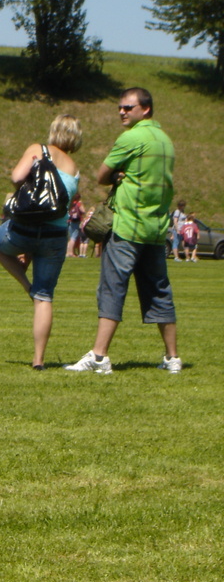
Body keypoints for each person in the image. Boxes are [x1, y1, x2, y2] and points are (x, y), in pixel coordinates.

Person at [65, 87, 181, 375]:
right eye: (120, 107)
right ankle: (172, 358)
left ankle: (99, 356)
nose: (122, 112)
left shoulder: (131, 138)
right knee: (159, 291)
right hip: (156, 230)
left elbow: (102, 175)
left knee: (112, 289)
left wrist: (117, 176)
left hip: (127, 227)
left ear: (146, 109)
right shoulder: (166, 141)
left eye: (128, 107)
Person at [0, 115, 82, 370]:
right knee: (45, 297)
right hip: (55, 235)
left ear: (54, 131)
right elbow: (71, 198)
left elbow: (16, 177)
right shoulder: (74, 168)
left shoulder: (37, 150)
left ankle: (25, 283)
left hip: (24, 228)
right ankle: (38, 360)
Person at [66, 192, 85, 257]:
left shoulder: (71, 204)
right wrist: (82, 204)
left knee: (71, 237)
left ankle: (68, 252)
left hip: (70, 221)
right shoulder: (78, 203)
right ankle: (71, 252)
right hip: (76, 221)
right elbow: (83, 211)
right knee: (74, 237)